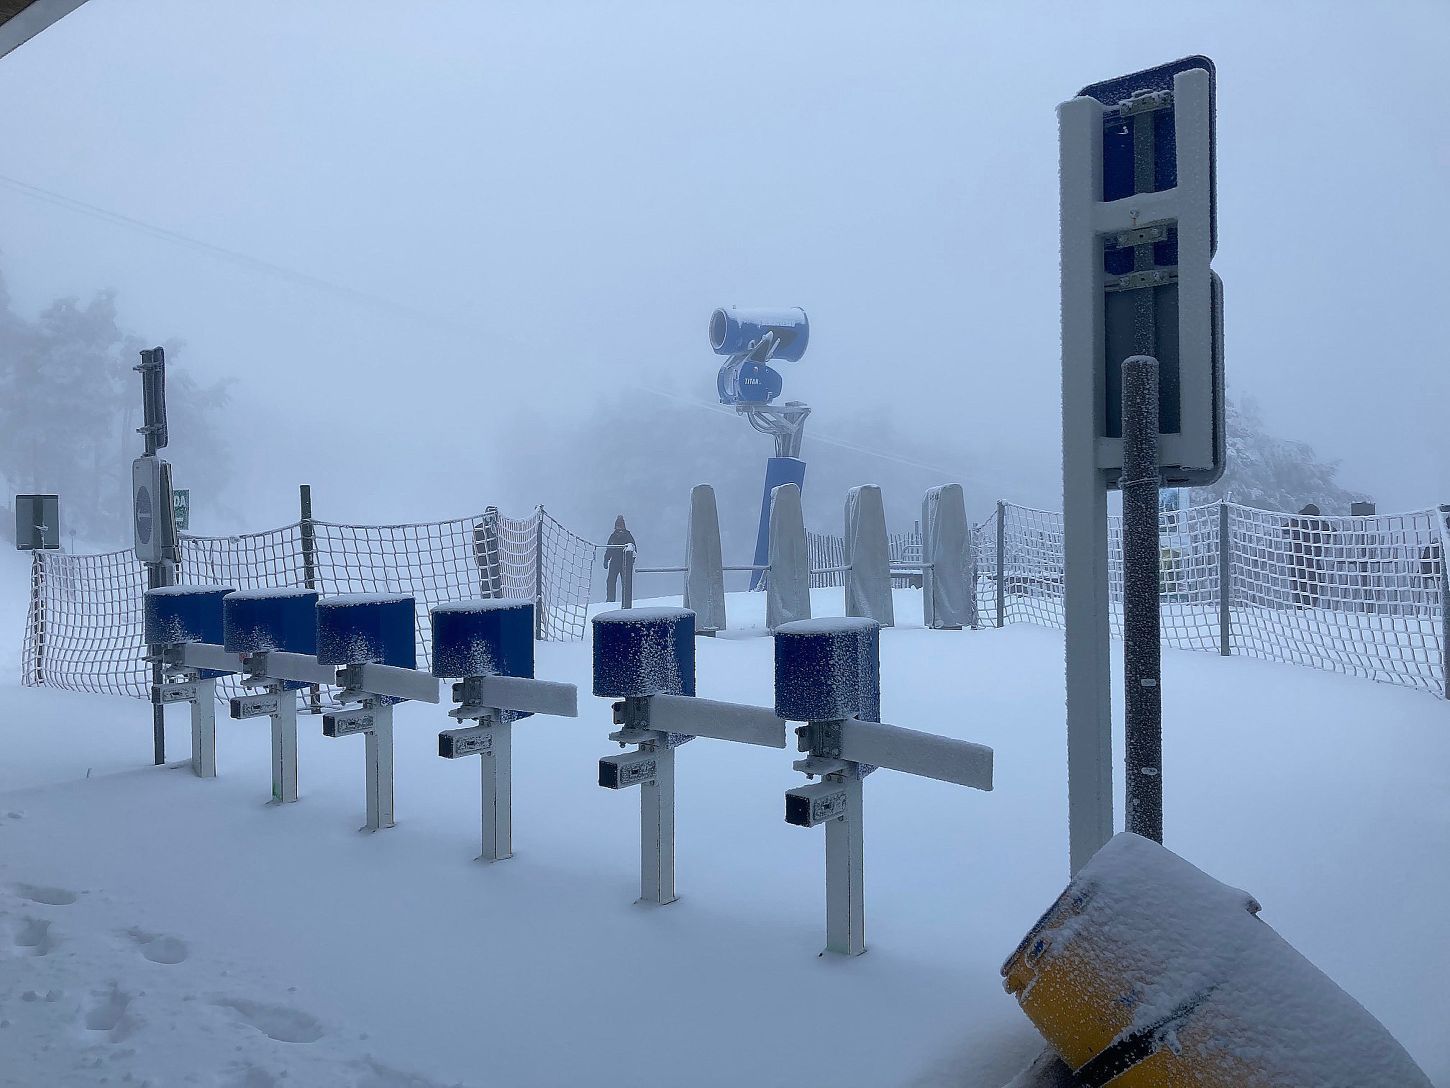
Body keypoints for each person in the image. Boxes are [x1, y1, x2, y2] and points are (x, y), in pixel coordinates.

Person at [1286, 503, 1328, 609]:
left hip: (1296, 559)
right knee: (1314, 583)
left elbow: (1284, 529)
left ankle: (1300, 606)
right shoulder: (1318, 523)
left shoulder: (1296, 521)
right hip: (1312, 558)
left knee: (1298, 584)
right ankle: (1310, 605)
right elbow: (1332, 530)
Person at [604, 515, 636, 603]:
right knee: (611, 581)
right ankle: (610, 600)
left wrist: (631, 561)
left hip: (625, 562)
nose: (619, 527)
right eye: (618, 525)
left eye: (621, 525)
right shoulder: (613, 536)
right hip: (614, 562)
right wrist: (606, 559)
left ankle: (626, 601)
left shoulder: (628, 535)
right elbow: (609, 548)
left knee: (626, 583)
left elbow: (633, 549)